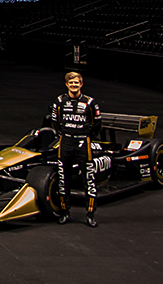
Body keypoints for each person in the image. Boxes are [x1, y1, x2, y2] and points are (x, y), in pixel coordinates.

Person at [50, 72, 102, 227]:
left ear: (81, 84)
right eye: (71, 83)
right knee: (63, 178)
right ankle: (65, 212)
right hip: (65, 141)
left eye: (76, 83)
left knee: (89, 179)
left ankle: (90, 214)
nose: (74, 85)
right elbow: (55, 122)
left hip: (83, 143)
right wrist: (64, 134)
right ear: (66, 84)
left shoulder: (90, 102)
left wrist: (85, 135)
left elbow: (97, 125)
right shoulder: (60, 101)